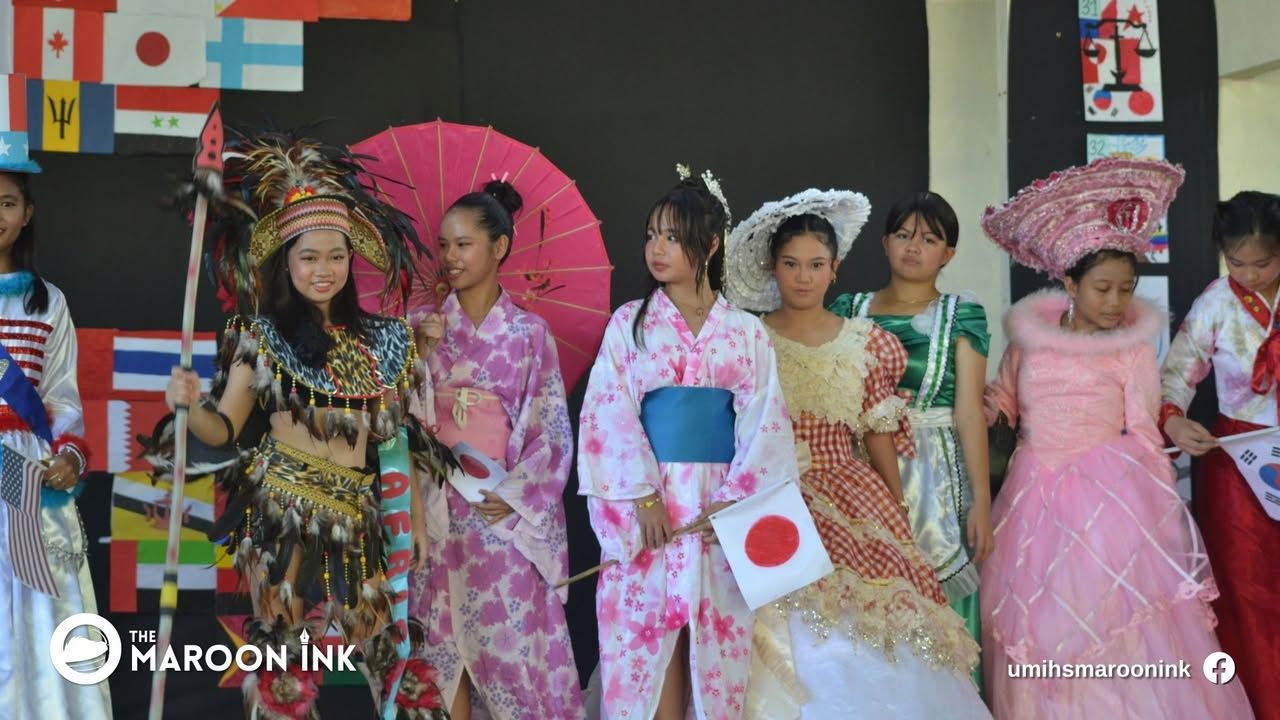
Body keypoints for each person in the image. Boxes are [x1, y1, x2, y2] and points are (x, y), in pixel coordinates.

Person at [159, 129, 449, 718]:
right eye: (308, 257)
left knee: (395, 658)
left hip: (363, 516)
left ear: (352, 258)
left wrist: (413, 515)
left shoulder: (387, 341)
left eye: (336, 256)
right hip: (282, 514)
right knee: (285, 668)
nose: (324, 270)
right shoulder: (261, 338)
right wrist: (188, 406)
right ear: (285, 262)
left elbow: (395, 441)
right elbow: (225, 427)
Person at [980, 157, 1252, 718]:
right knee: (1040, 621)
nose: (1114, 302)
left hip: (1110, 499)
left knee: (1114, 623)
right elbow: (1000, 402)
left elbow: (1146, 429)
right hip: (1032, 493)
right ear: (1069, 283)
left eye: (1125, 289)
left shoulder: (1130, 348)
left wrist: (1159, 520)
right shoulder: (1028, 340)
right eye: (1102, 288)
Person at [725, 189, 987, 719]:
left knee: (874, 623)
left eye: (816, 264)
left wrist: (894, 509)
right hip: (770, 497)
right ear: (773, 268)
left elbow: (877, 434)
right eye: (792, 264)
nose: (803, 276)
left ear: (835, 269)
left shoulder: (865, 341)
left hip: (849, 492)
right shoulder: (748, 338)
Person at [577, 169, 799, 720]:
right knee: (643, 653)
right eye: (652, 234)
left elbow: (764, 422)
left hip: (717, 511)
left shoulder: (745, 331)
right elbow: (609, 415)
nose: (657, 248)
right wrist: (643, 498)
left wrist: (737, 501)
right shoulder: (630, 324)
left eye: (673, 237)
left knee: (713, 658)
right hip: (649, 507)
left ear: (711, 242)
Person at [408, 180, 584, 719]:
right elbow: (393, 424)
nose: (450, 257)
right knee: (439, 651)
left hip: (500, 507)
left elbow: (551, 428)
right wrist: (416, 357)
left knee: (514, 649)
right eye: (443, 245)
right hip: (435, 507)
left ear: (499, 247)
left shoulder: (531, 334)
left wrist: (517, 495)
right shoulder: (418, 327)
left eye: (463, 244)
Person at [829, 191, 993, 691]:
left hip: (936, 470)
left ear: (949, 253)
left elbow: (968, 411)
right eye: (903, 235)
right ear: (883, 243)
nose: (913, 247)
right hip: (857, 468)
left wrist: (982, 498)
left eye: (929, 238)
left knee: (938, 587)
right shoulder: (846, 308)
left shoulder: (962, 314)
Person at [1159, 190, 1280, 719]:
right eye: (1237, 262)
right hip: (1239, 457)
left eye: (1265, 262)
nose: (1249, 274)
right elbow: (1176, 376)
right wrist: (1175, 418)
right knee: (1244, 588)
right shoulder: (1215, 303)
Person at [0, 137, 109, 718]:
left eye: (8, 202)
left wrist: (69, 454)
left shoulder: (49, 304)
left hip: (27, 474)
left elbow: (61, 399)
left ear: (28, 213)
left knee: (43, 602)